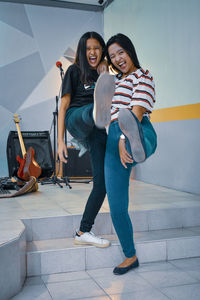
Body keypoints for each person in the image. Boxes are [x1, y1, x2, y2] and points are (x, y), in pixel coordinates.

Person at [94, 33, 157, 274]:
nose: (118, 58)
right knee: (117, 205)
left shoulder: (143, 75)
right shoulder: (115, 81)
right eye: (112, 56)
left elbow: (138, 107)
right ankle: (130, 257)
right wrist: (104, 80)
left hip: (138, 128)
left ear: (129, 50)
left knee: (132, 128)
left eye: (121, 52)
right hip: (113, 140)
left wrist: (123, 136)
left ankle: (133, 141)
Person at [57, 31, 114, 248]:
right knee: (88, 111)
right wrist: (61, 142)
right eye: (89, 48)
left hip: (97, 130)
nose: (93, 52)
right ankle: (96, 109)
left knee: (102, 185)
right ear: (83, 50)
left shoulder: (103, 72)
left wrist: (104, 73)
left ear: (102, 50)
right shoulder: (73, 71)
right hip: (76, 118)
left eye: (97, 48)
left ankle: (83, 231)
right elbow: (63, 106)